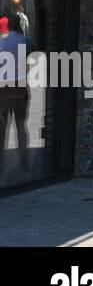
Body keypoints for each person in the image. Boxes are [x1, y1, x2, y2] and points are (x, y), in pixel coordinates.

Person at [0, 14, 32, 174]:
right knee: (20, 126)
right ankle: (24, 161)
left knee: (2, 128)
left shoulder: (2, 41)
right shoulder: (25, 40)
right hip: (19, 87)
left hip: (2, 89)